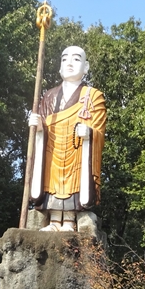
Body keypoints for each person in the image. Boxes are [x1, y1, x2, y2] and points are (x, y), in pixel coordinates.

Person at [28, 46, 107, 231]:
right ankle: (54, 220)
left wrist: (88, 132)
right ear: (59, 67)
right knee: (51, 182)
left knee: (75, 182)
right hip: (52, 151)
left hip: (77, 149)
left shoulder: (93, 96)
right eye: (65, 59)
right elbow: (43, 124)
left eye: (76, 59)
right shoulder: (49, 96)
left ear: (86, 67)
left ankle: (70, 221)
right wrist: (39, 128)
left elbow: (98, 128)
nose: (69, 63)